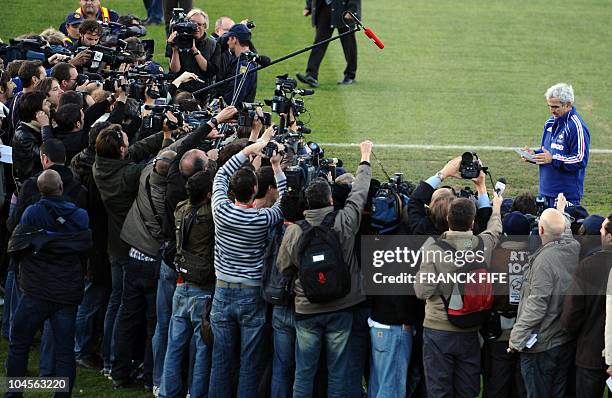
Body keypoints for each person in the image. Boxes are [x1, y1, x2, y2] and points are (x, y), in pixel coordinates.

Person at [276, 141, 373, 398]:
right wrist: (365, 158)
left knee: (304, 372)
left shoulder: (295, 230)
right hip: (341, 306)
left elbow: (283, 267)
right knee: (338, 371)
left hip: (307, 308)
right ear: (330, 199)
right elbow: (359, 193)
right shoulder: (344, 221)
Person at [208, 126, 286, 397]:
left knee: (221, 359)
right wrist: (276, 167)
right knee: (249, 363)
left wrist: (249, 150)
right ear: (255, 190)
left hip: (222, 289)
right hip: (251, 293)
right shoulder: (262, 219)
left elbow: (221, 174)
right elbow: (284, 202)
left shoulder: (220, 209)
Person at [5, 169, 91, 397]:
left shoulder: (32, 214)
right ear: (61, 187)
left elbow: (19, 245)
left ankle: (14, 394)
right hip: (64, 292)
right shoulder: (80, 216)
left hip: (36, 291)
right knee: (64, 352)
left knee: (19, 343)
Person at [414, 192, 503, 398]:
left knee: (439, 390)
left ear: (447, 219)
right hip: (471, 328)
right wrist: (496, 209)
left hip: (438, 330)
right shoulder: (483, 245)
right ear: (472, 222)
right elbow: (495, 230)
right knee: (467, 389)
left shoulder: (433, 249)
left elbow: (422, 291)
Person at [508, 194, 581, 398]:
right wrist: (560, 212)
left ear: (540, 230)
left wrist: (516, 338)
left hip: (541, 345)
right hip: (561, 339)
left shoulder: (544, 261)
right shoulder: (572, 248)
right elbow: (564, 231)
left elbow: (537, 305)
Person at [158, 170, 216, 398]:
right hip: (202, 285)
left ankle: (167, 392)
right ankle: (196, 393)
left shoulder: (181, 208)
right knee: (202, 349)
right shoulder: (210, 214)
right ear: (209, 194)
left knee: (174, 346)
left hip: (183, 283)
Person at [562, 213, 612, 398]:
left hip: (590, 353)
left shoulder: (587, 266)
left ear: (609, 236)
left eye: (602, 229)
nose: (599, 231)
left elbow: (571, 314)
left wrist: (574, 333)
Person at [522, 83, 590, 208]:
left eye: (556, 107)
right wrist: (533, 155)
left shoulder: (576, 126)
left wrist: (553, 159)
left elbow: (580, 159)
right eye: (549, 106)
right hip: (545, 191)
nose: (552, 110)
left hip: (565, 196)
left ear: (568, 104)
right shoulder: (549, 123)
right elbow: (548, 152)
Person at [296, 0, 361, 87]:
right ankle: (311, 75)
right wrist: (309, 6)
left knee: (348, 44)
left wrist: (352, 10)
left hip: (343, 9)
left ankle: (350, 75)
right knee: (319, 43)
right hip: (323, 8)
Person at [166, 9, 219, 95]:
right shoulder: (177, 40)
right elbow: (174, 70)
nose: (196, 27)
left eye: (200, 24)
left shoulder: (213, 44)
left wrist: (194, 49)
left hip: (203, 92)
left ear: (205, 26)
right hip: (180, 92)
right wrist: (175, 49)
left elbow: (210, 71)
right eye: (193, 24)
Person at [12, 91, 53, 186]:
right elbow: (49, 155)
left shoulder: (37, 128)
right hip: (32, 189)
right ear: (38, 113)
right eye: (45, 103)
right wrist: (46, 127)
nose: (50, 104)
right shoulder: (22, 135)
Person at [219, 23, 257, 106]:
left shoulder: (244, 65)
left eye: (229, 39)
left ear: (234, 39)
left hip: (234, 115)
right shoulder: (247, 60)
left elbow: (233, 98)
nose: (228, 42)